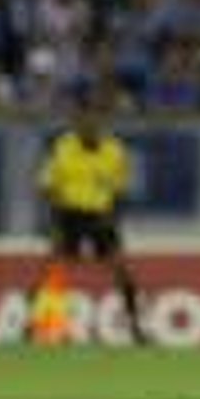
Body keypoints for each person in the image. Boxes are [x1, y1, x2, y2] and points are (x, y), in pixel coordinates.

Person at [34, 101, 146, 344]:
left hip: (100, 217)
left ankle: (136, 327)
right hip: (69, 213)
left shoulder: (114, 151)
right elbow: (45, 185)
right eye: (84, 124)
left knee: (121, 270)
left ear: (101, 125)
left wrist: (112, 216)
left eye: (94, 123)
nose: (89, 128)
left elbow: (120, 190)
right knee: (52, 269)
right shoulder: (64, 147)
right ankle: (39, 327)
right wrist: (56, 213)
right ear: (77, 125)